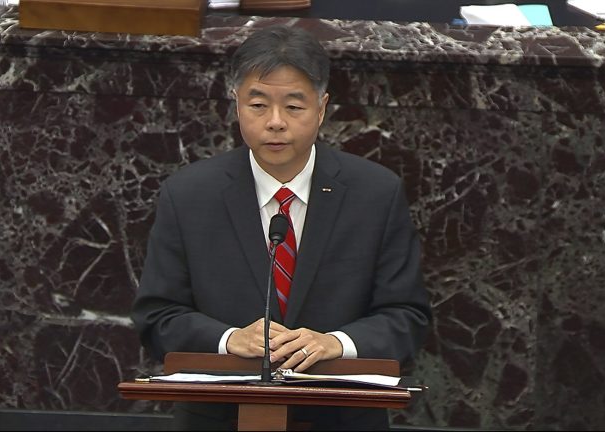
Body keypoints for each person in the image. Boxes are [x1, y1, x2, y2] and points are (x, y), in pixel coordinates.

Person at [131, 24, 431, 431]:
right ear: (237, 105)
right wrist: (229, 339)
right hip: (220, 417)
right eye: (258, 105)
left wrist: (334, 344)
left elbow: (406, 316)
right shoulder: (189, 195)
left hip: (342, 417)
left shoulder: (375, 194)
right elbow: (158, 315)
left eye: (294, 107)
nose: (275, 123)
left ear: (321, 109)